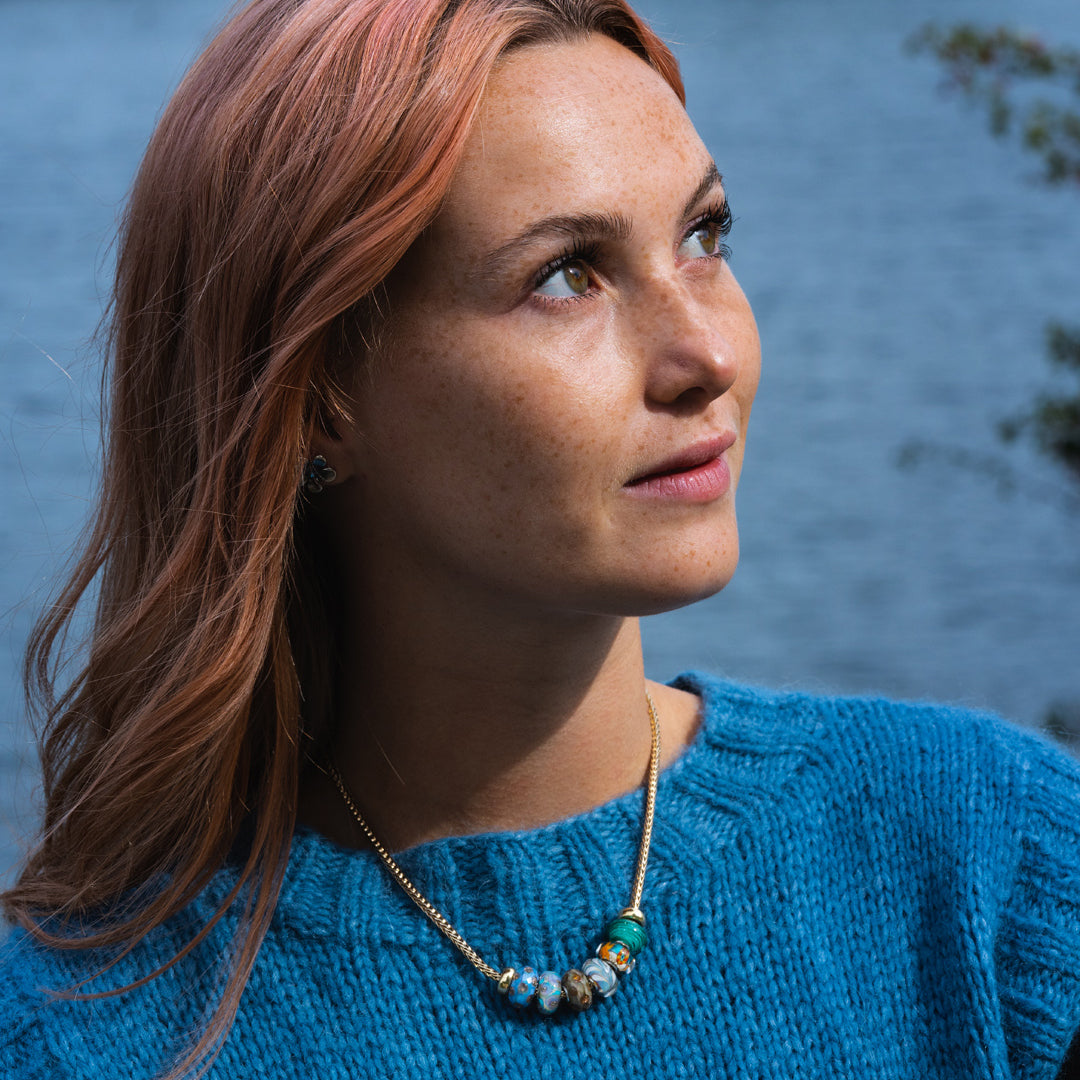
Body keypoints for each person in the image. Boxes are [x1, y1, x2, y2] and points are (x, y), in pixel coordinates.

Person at [2, 0, 1079, 1075]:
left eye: (704, 236)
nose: (707, 355)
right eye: (569, 275)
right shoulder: (80, 1032)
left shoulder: (994, 859)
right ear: (320, 394)